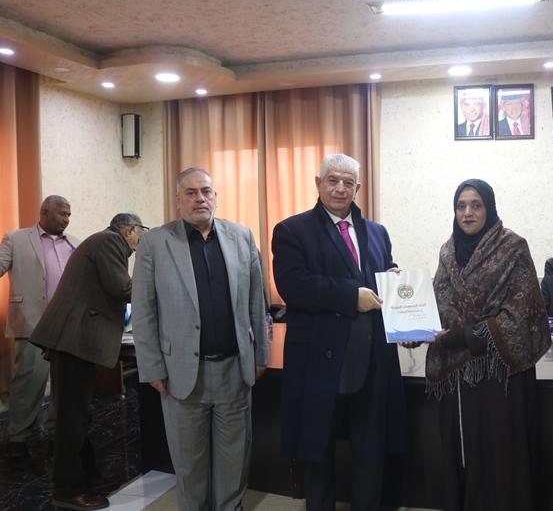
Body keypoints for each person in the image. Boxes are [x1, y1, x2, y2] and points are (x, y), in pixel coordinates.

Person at [272, 153, 407, 511]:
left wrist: (393, 280)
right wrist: (351, 297)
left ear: (358, 188)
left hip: (372, 360)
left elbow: (382, 275)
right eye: (332, 180)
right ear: (318, 183)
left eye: (348, 182)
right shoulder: (291, 230)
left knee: (371, 449)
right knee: (317, 453)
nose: (340, 188)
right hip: (320, 361)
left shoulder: (377, 232)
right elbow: (294, 285)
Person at [132, 168, 268, 511]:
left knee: (234, 460)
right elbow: (144, 310)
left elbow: (257, 302)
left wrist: (260, 355)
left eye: (206, 191)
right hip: (181, 375)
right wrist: (152, 368)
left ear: (215, 196)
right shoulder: (155, 243)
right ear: (178, 200)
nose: (200, 199)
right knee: (190, 464)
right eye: (191, 193)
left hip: (234, 371)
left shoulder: (241, 237)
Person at [425, 179, 551, 511]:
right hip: (458, 378)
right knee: (461, 455)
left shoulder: (513, 247)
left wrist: (464, 336)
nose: (467, 212)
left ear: (489, 208)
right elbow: (437, 305)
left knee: (500, 457)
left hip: (500, 375)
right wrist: (413, 326)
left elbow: (523, 314)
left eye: (476, 205)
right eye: (461, 206)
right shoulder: (448, 251)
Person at [30, 213, 147, 510]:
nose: (142, 238)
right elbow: (123, 289)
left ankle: (88, 474)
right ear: (129, 229)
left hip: (76, 339)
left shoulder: (104, 241)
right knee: (71, 418)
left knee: (79, 414)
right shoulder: (109, 241)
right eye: (141, 232)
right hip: (74, 340)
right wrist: (152, 268)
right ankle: (67, 490)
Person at [0, 195, 78, 460]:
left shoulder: (75, 244)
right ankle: (18, 438)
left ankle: (57, 436)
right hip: (32, 322)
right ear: (44, 212)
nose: (67, 219)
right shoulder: (16, 239)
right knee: (28, 381)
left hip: (66, 325)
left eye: (69, 215)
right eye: (62, 214)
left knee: (64, 384)